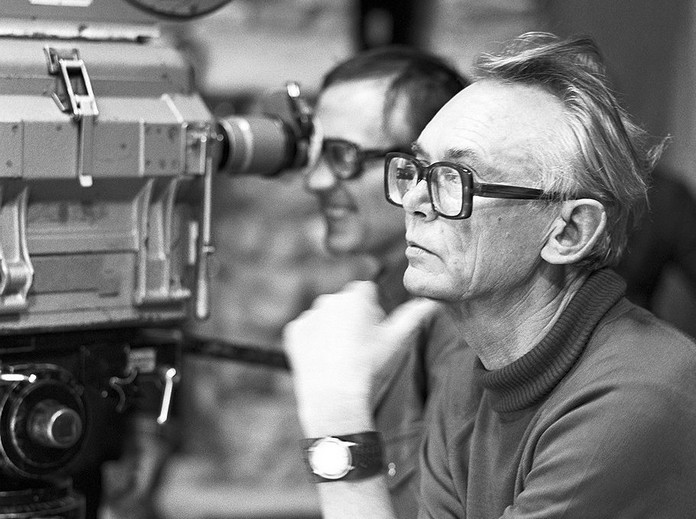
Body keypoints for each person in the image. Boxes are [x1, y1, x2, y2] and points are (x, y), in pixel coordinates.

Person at [284, 32, 696, 518]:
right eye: (418, 169)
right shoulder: (473, 370)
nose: (413, 200)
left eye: (455, 179)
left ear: (569, 231)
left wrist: (337, 424)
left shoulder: (632, 400)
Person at [302, 45, 469, 518]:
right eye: (314, 154)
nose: (315, 181)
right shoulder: (383, 305)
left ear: (422, 168)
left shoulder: (459, 332)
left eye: (343, 156)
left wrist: (334, 416)